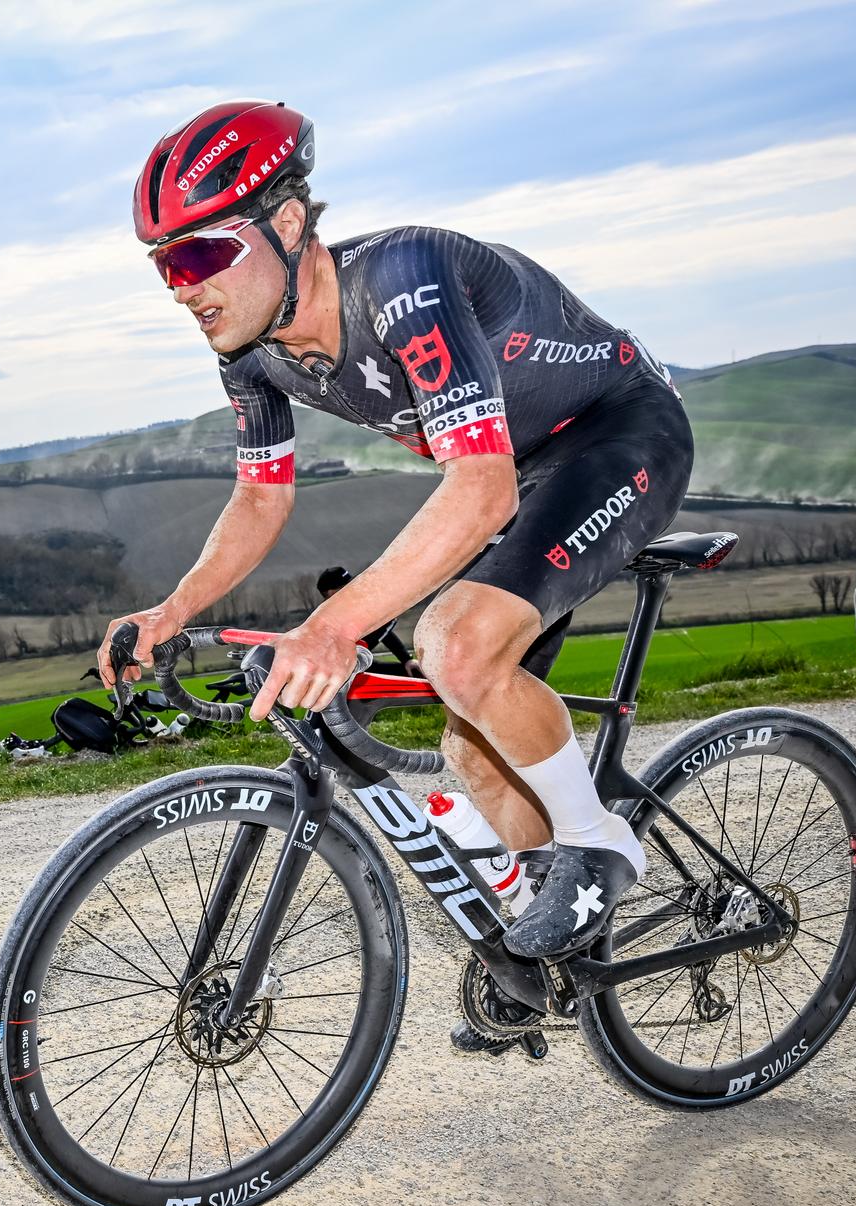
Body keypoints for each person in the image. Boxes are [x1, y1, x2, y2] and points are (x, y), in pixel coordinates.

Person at [101, 101, 693, 1050]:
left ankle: (602, 848)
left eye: (202, 255)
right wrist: (175, 608)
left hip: (617, 434)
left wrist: (337, 625)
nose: (183, 288)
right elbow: (261, 498)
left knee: (454, 645)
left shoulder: (404, 279)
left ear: (288, 227)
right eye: (166, 265)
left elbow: (481, 487)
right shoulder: (253, 351)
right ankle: (547, 951)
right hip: (523, 466)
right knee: (471, 746)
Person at [315, 566, 424, 677]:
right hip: (340, 677)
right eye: (346, 586)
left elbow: (382, 633)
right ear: (332, 593)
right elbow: (378, 629)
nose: (353, 589)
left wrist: (406, 659)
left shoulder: (351, 611)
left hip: (356, 668)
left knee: (415, 672)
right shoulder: (324, 619)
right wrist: (384, 618)